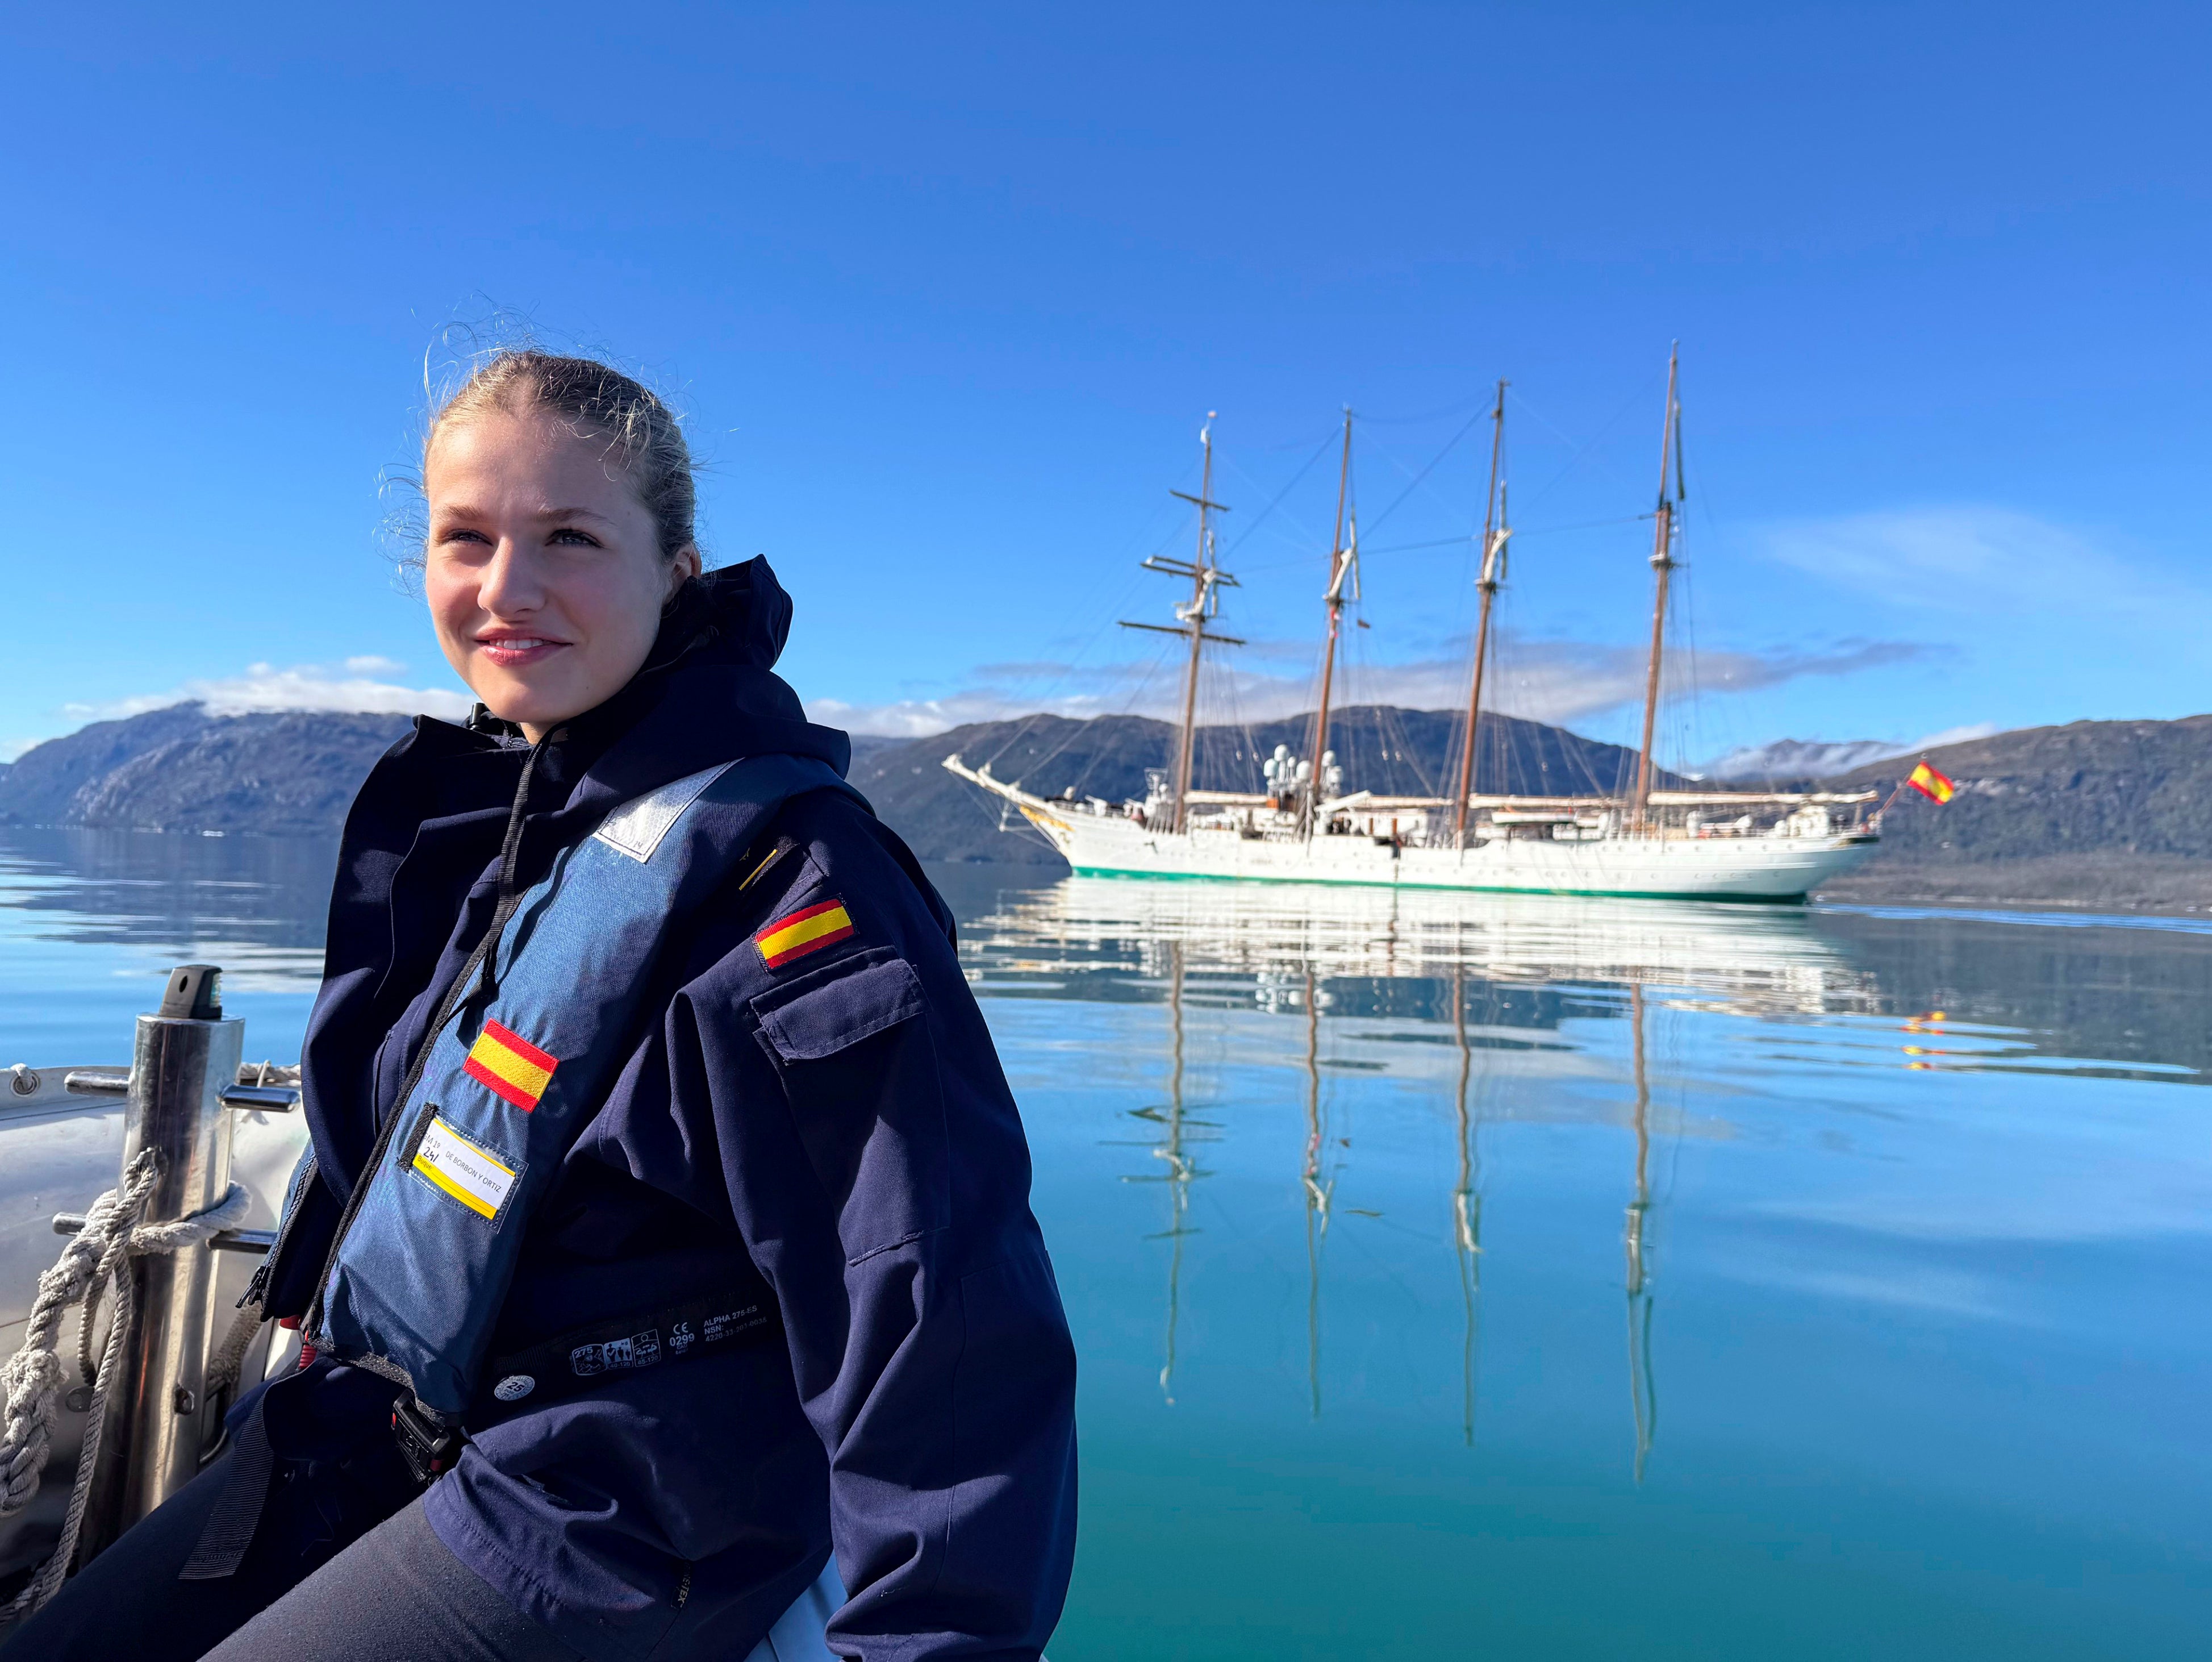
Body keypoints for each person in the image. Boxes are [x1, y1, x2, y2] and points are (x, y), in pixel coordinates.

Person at [5, 351, 1079, 1661]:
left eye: (569, 535)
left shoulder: (792, 885)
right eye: (469, 538)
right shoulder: (521, 822)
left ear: (677, 570)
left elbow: (936, 1304)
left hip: (620, 1503)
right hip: (398, 1427)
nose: (507, 589)